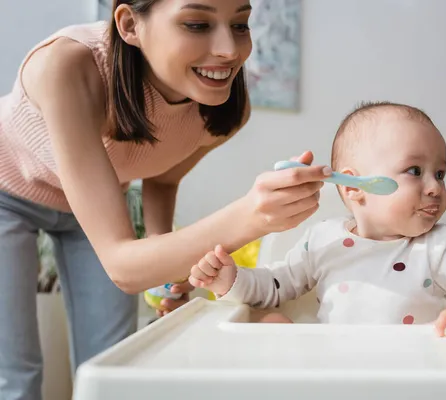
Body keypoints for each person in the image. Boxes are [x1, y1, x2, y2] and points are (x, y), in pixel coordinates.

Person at [0, 1, 330, 399]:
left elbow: (163, 176)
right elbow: (122, 265)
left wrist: (167, 272)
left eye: (241, 25)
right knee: (14, 374)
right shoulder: (67, 67)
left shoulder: (224, 110)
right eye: (196, 24)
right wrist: (252, 215)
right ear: (129, 25)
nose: (229, 50)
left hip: (98, 207)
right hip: (7, 195)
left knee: (112, 361)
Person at [189, 101, 446, 335]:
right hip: (334, 367)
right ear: (354, 188)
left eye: (440, 174)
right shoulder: (323, 241)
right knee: (270, 324)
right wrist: (230, 280)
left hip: (412, 371)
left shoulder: (437, 246)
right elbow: (274, 287)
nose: (434, 188)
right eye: (415, 171)